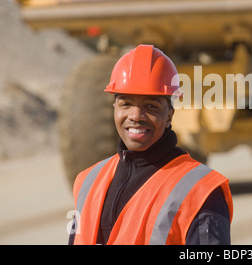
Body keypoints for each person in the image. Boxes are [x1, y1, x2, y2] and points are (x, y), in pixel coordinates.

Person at [68, 44, 233, 245]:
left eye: (150, 106)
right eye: (125, 103)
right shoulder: (88, 181)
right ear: (114, 108)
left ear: (170, 115)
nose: (135, 116)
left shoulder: (201, 191)